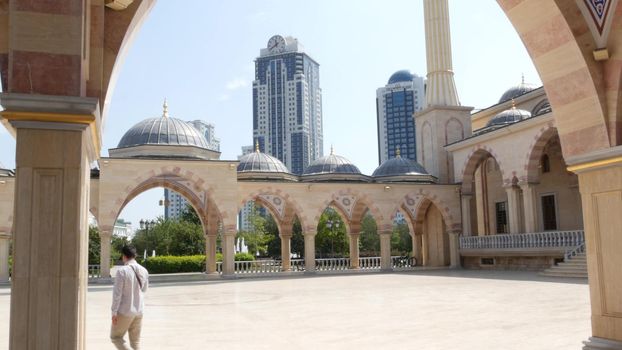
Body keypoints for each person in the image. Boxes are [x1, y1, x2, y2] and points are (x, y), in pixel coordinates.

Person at [110, 245, 149, 350]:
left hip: (125, 311)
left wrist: (114, 312)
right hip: (139, 311)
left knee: (115, 337)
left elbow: (117, 294)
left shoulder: (122, 271)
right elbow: (144, 289)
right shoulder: (144, 270)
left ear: (124, 256)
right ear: (134, 255)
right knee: (135, 343)